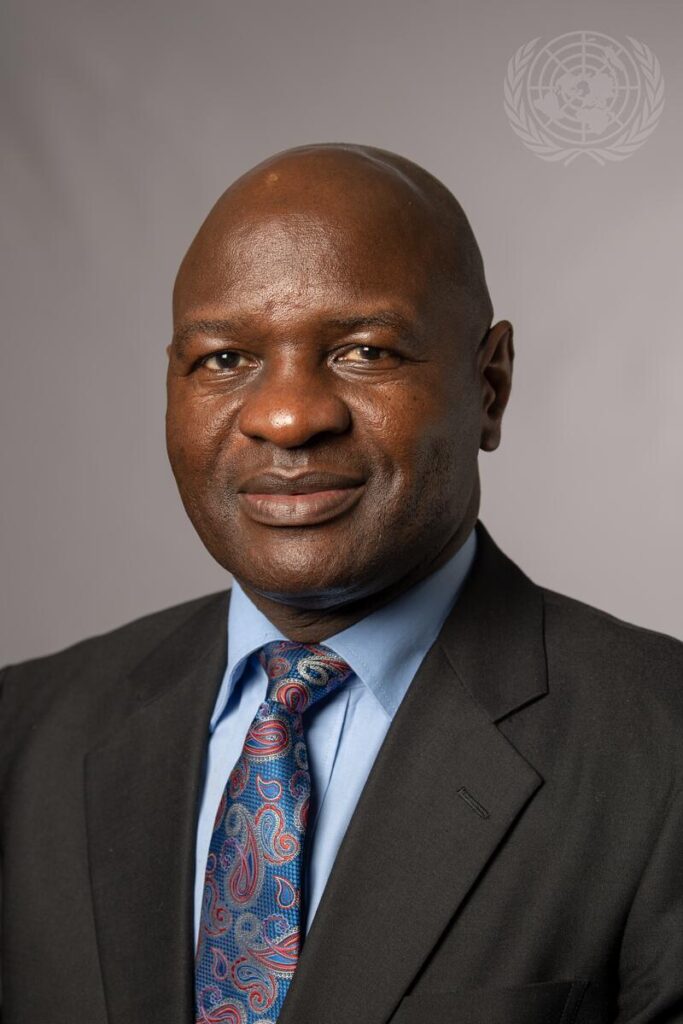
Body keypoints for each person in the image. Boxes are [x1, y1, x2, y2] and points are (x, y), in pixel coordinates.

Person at [1, 144, 681, 1024]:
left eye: (364, 351)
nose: (287, 417)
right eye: (224, 359)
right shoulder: (23, 735)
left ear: (488, 385)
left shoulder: (659, 750)